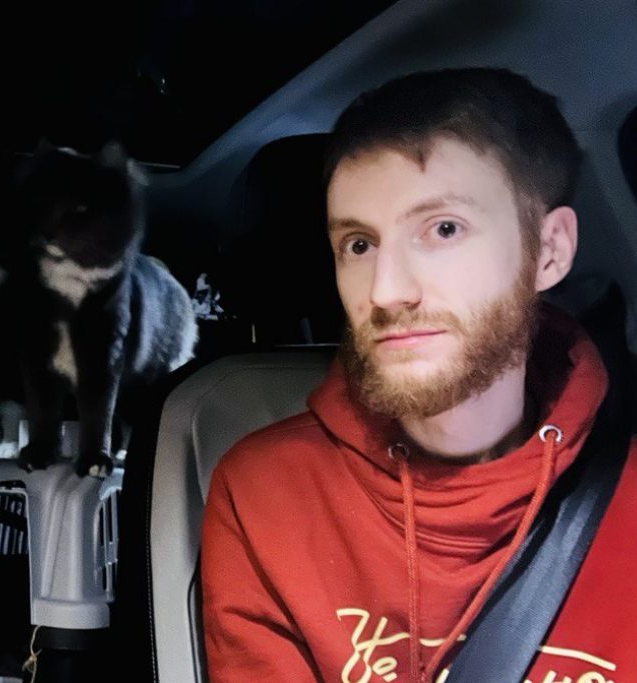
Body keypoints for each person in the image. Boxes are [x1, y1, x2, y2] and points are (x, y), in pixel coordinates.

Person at [201, 67, 637, 682]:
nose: (385, 291)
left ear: (550, 250)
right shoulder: (266, 495)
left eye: (443, 229)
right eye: (359, 244)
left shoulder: (625, 500)